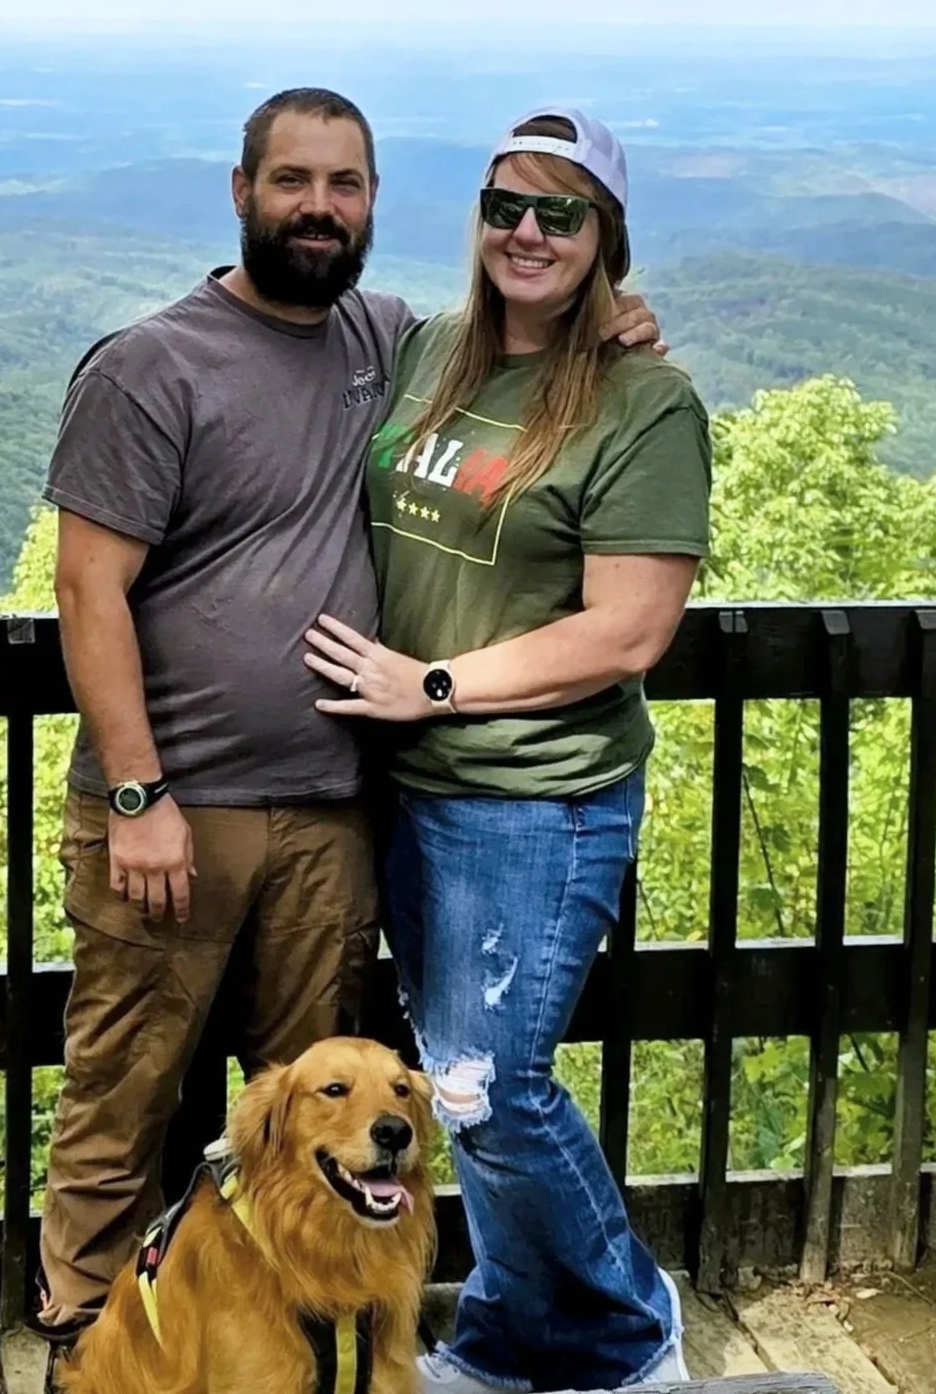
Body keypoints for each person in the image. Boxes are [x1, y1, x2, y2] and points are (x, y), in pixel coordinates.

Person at [35, 88, 664, 1343]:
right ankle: (88, 1328)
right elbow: (85, 587)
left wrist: (617, 320)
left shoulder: (388, 342)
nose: (317, 208)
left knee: (311, 1115)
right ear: (242, 191)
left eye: (344, 185)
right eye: (292, 181)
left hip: (333, 808)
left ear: (372, 202)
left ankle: (289, 1332)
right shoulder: (150, 364)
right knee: (127, 1083)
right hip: (179, 803)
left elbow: (525, 334)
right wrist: (136, 792)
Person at [304, 107, 711, 1393]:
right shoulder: (429, 348)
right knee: (457, 1081)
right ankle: (511, 1336)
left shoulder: (644, 402)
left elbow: (629, 628)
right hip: (413, 791)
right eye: (505, 207)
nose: (527, 232)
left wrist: (431, 684)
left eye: (560, 212)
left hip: (535, 799)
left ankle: (628, 1334)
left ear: (606, 236)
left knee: (493, 1088)